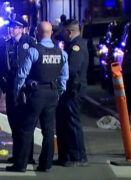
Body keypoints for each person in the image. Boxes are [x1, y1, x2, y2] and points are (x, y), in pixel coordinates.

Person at [6, 22, 69, 172]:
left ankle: (21, 164)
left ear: (37, 33)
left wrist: (17, 93)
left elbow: (22, 74)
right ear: (51, 32)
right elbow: (63, 77)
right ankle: (46, 164)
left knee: (26, 129)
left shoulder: (34, 51)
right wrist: (59, 92)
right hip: (52, 93)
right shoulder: (61, 53)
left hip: (35, 94)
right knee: (48, 131)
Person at [0, 17, 37, 164]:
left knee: (26, 124)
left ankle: (27, 156)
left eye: (15, 28)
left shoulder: (30, 42)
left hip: (26, 90)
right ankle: (18, 155)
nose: (12, 30)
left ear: (22, 29)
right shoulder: (5, 45)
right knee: (14, 123)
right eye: (10, 27)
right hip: (11, 88)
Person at [55, 19, 89, 167]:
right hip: (69, 91)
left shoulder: (77, 46)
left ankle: (78, 157)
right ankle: (66, 155)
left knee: (72, 123)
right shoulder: (72, 45)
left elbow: (72, 69)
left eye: (64, 32)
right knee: (64, 124)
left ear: (69, 32)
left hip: (73, 91)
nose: (62, 35)